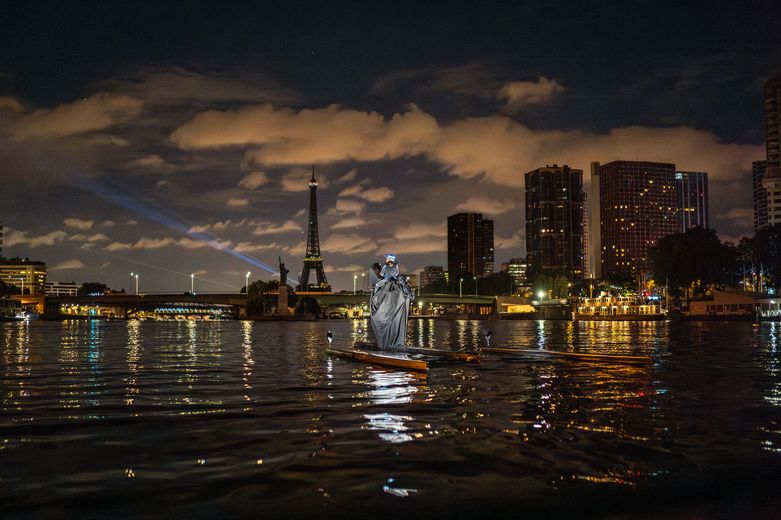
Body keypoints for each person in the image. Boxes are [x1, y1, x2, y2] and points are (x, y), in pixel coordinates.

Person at [369, 254, 414, 350]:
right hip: (394, 289)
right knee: (393, 317)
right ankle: (394, 340)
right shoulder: (397, 277)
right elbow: (396, 275)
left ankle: (387, 341)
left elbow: (381, 276)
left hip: (387, 287)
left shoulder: (383, 277)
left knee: (385, 314)